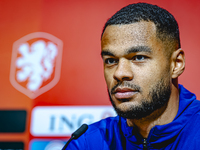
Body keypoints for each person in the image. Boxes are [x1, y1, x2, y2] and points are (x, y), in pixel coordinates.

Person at [63, 3, 200, 150]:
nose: (120, 73)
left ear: (176, 64)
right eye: (111, 61)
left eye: (138, 57)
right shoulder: (88, 143)